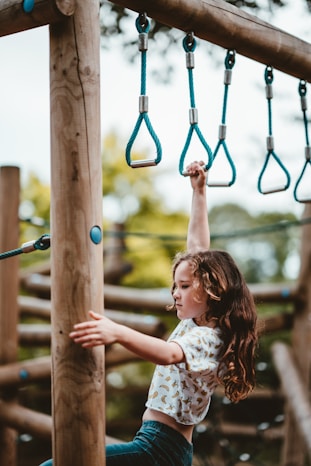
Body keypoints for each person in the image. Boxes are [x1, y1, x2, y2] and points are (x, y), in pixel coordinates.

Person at [39, 161, 258, 466]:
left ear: (211, 290)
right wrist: (199, 193)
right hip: (157, 444)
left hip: (158, 448)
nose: (174, 292)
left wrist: (117, 332)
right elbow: (197, 247)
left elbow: (168, 354)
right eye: (175, 285)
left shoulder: (209, 338)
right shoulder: (195, 323)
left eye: (183, 286)